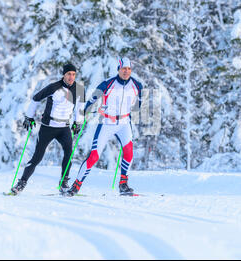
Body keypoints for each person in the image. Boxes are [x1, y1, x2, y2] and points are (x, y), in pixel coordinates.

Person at [66, 57, 143, 196]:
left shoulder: (137, 85)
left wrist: (132, 112)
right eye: (123, 68)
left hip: (124, 123)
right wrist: (83, 113)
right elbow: (91, 100)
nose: (126, 71)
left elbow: (138, 104)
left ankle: (123, 185)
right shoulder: (108, 84)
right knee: (94, 157)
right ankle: (75, 186)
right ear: (118, 69)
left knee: (129, 153)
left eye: (129, 69)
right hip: (107, 123)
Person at [10, 63, 85, 195]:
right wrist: (29, 117)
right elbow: (36, 98)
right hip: (48, 128)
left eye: (73, 74)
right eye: (68, 74)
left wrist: (78, 122)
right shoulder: (54, 87)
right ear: (64, 75)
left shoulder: (79, 89)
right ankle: (21, 183)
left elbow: (80, 106)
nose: (71, 77)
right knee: (37, 157)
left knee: (69, 154)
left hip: (64, 128)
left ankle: (64, 183)